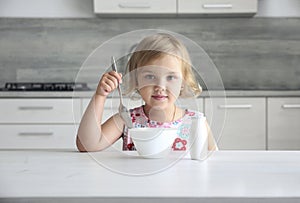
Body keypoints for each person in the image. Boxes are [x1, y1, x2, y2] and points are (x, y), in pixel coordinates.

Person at [76, 33, 218, 152]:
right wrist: (100, 96)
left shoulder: (196, 122)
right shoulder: (127, 120)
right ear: (136, 80)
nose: (160, 86)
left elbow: (216, 163)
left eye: (170, 77)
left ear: (183, 82)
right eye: (150, 76)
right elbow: (87, 145)